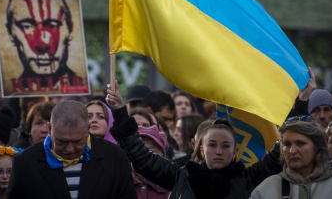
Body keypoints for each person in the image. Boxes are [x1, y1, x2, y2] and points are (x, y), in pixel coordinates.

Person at [107, 82, 282, 198]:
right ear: (201, 149)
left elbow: (283, 149)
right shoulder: (182, 176)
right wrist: (120, 111)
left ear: (235, 151)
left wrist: (302, 101)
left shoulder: (248, 179)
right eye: (212, 145)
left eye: (226, 145)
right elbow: (142, 157)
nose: (219, 151)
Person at [6, 100, 137, 198]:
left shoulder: (114, 157)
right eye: (61, 141)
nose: (70, 149)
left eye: (78, 141)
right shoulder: (25, 162)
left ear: (88, 129)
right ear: (50, 129)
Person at [250, 116, 332, 199]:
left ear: (317, 147)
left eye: (300, 143)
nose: (292, 151)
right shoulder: (266, 189)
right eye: (287, 144)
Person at [5, 0, 84, 91]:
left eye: (53, 25)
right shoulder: (13, 94)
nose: (43, 44)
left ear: (70, 29)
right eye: (27, 26)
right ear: (11, 32)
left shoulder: (80, 94)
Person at [132, 126, 170, 199]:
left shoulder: (173, 186)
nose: (144, 157)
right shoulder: (120, 183)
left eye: (151, 152)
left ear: (163, 156)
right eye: (139, 151)